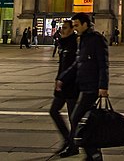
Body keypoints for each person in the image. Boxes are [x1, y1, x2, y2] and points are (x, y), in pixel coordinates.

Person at [56, 12, 109, 161]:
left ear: (86, 24)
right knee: (86, 121)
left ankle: (92, 153)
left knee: (76, 118)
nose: (75, 28)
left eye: (77, 25)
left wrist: (103, 86)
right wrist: (63, 78)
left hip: (92, 87)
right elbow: (77, 64)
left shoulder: (96, 39)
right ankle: (93, 154)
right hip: (83, 86)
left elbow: (103, 64)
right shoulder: (83, 40)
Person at [49, 20, 78, 157]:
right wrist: (58, 79)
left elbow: (75, 66)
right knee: (54, 111)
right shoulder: (63, 43)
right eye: (62, 28)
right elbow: (62, 65)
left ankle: (73, 146)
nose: (62, 30)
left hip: (72, 85)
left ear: (72, 29)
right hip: (62, 84)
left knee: (73, 118)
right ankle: (68, 139)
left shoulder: (75, 44)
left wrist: (63, 78)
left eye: (65, 28)